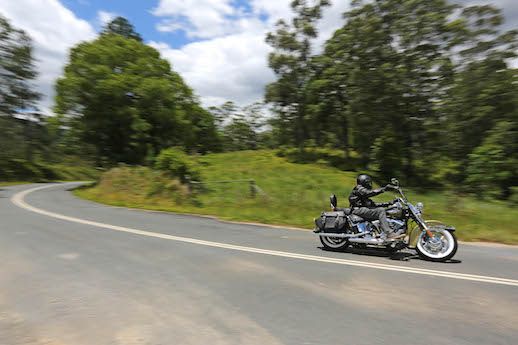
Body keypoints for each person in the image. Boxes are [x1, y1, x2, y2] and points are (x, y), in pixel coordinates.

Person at [349, 174, 404, 240]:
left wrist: (389, 203)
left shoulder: (363, 195)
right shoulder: (359, 188)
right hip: (358, 209)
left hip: (363, 209)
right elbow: (368, 193)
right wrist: (384, 189)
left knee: (383, 210)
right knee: (380, 210)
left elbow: (374, 204)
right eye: (368, 183)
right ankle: (389, 233)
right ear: (364, 182)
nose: (369, 185)